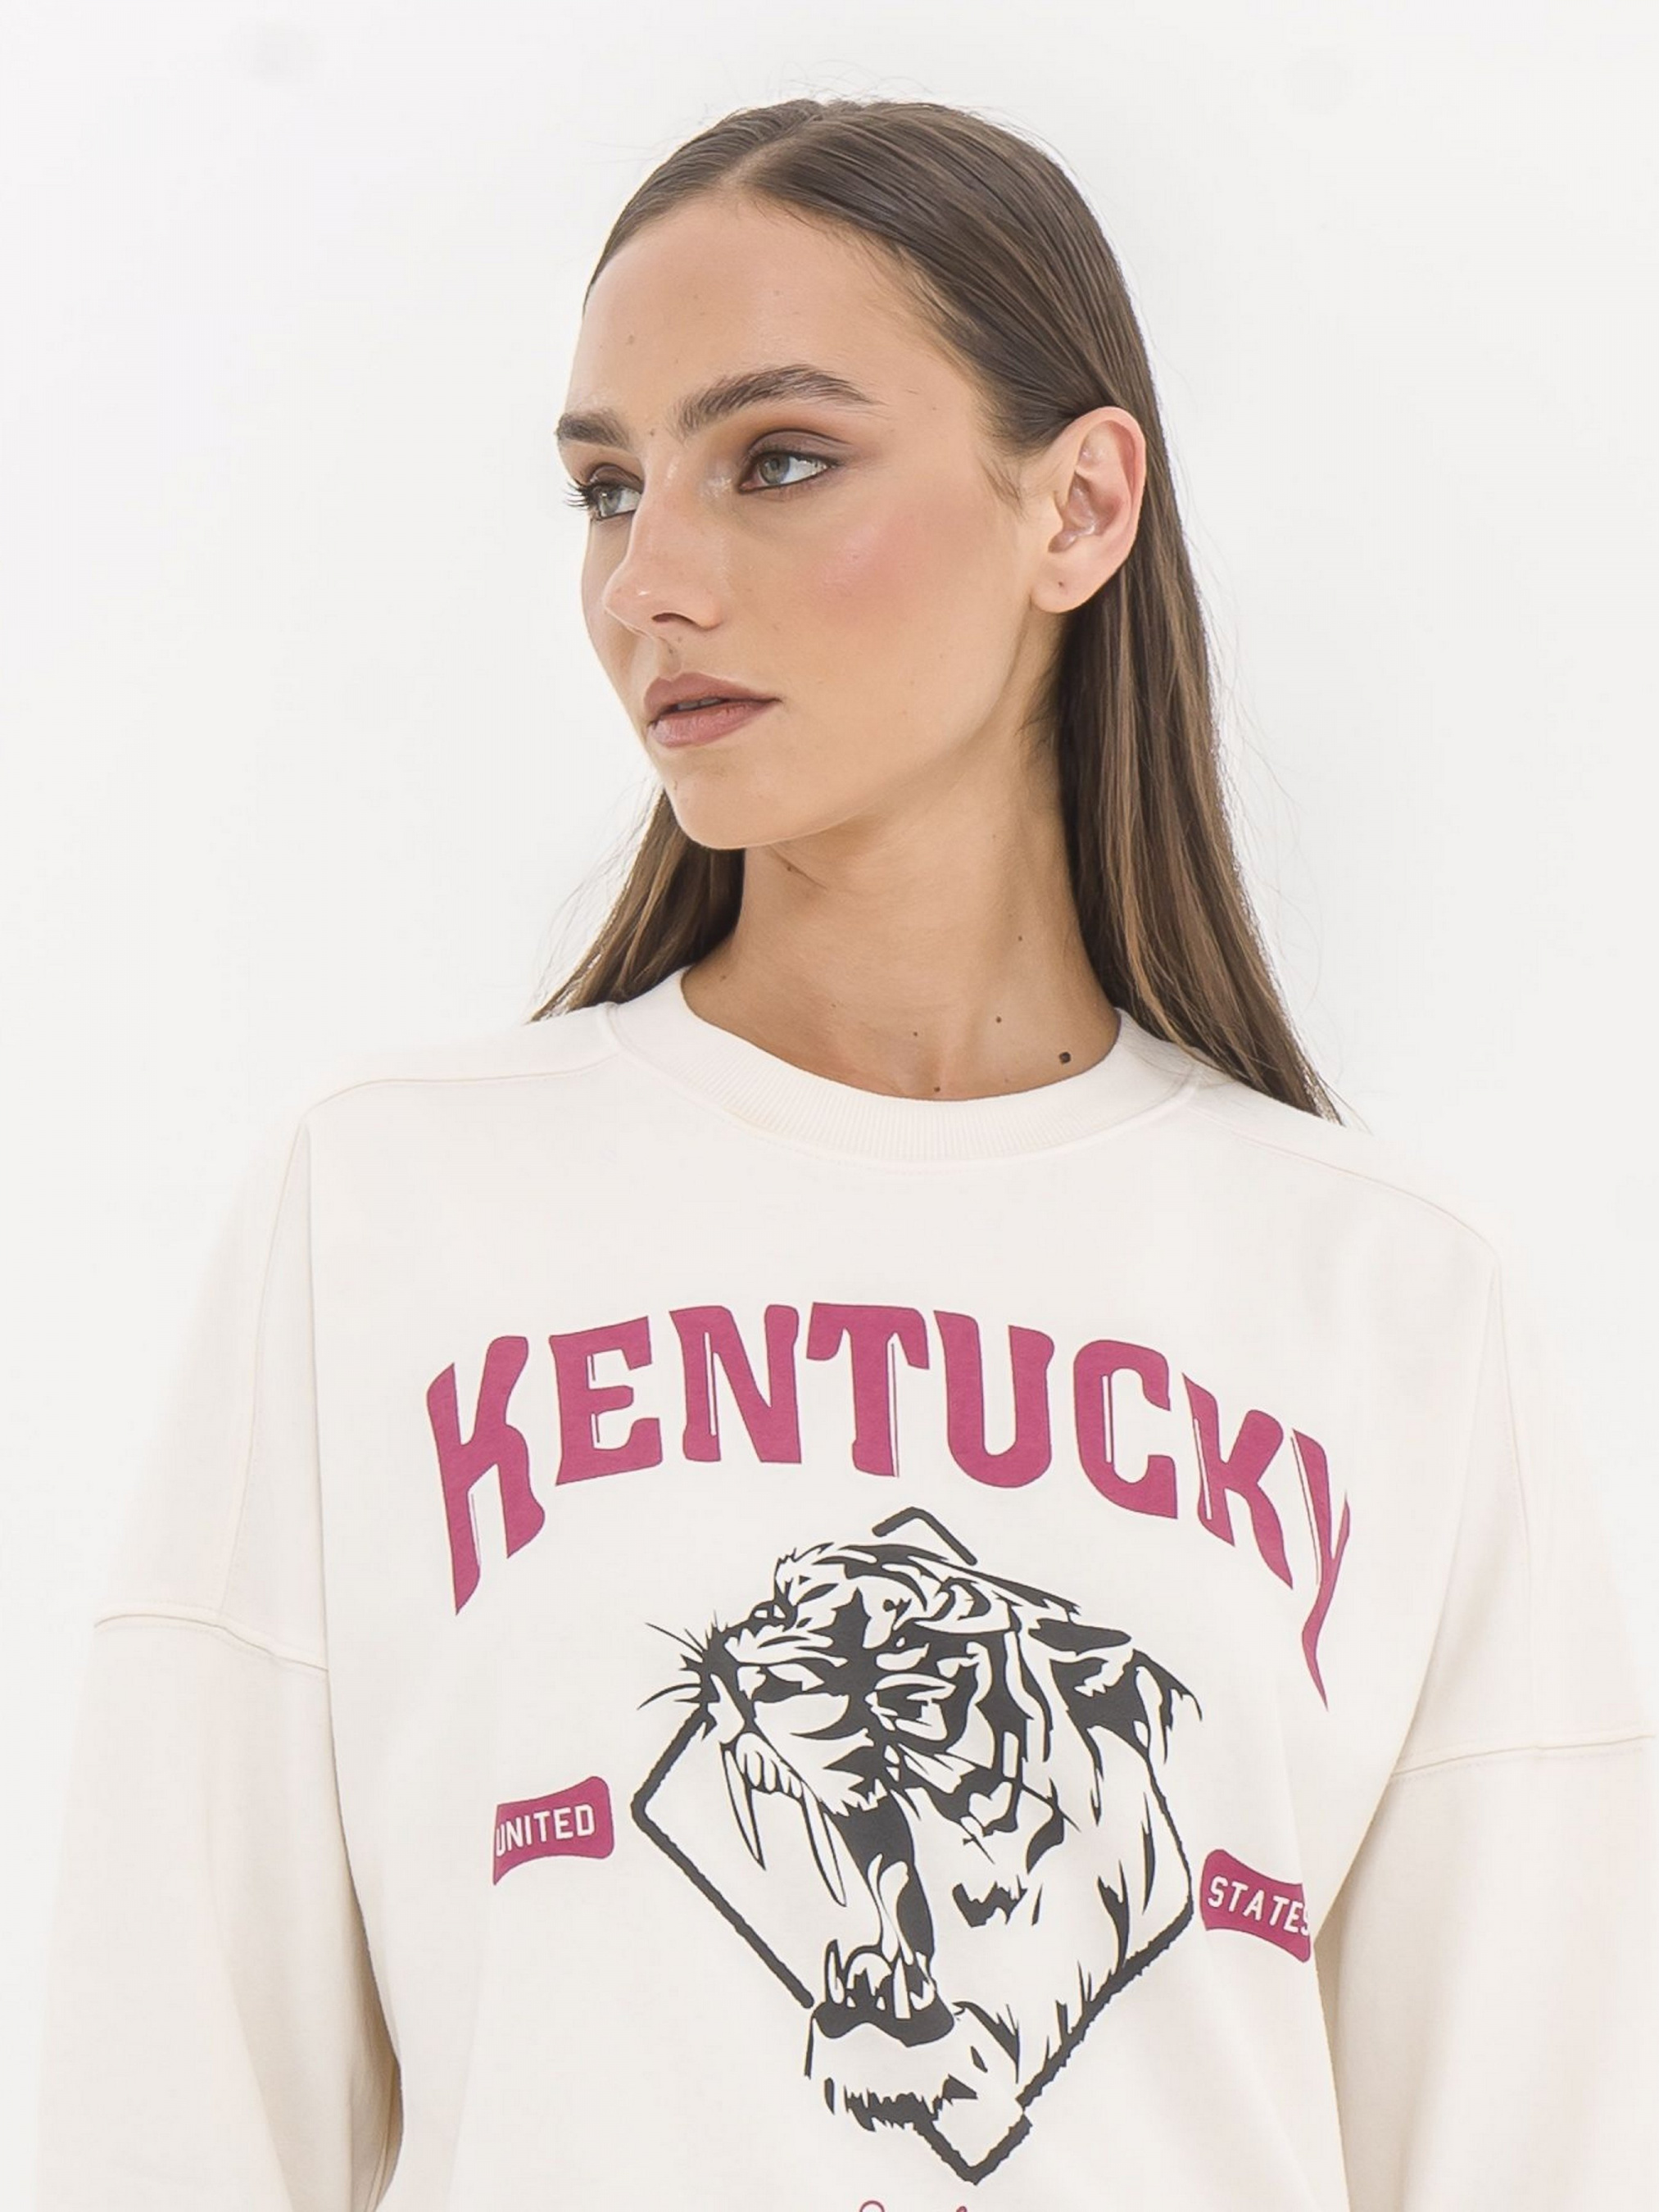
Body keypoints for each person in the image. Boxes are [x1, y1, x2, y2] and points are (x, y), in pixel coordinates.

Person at [34, 95, 1657, 2212]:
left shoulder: (1390, 1302)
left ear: (1078, 506)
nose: (650, 580)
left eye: (778, 459)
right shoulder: (389, 1213)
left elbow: (1534, 2139)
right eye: (606, 489)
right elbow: (169, 2106)